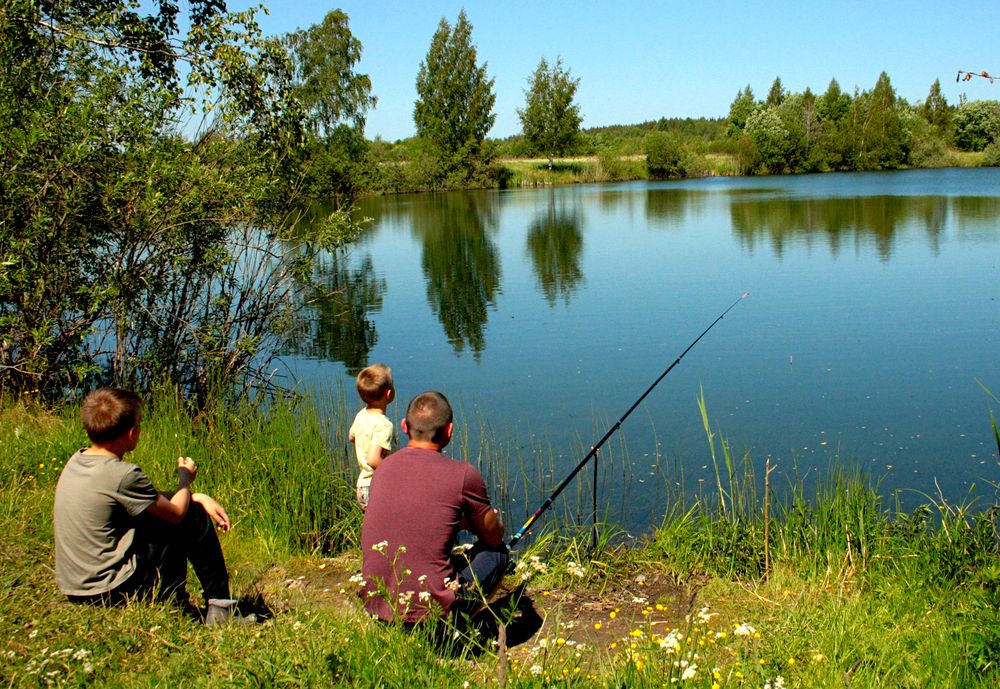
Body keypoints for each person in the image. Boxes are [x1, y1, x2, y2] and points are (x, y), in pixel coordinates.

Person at [53, 387, 249, 624]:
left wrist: (196, 496)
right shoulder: (124, 475)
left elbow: (148, 501)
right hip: (109, 588)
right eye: (139, 425)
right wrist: (185, 480)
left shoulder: (78, 460)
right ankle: (220, 608)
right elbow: (176, 513)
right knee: (192, 516)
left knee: (174, 512)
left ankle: (176, 600)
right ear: (131, 433)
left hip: (77, 586)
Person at [359, 391, 509, 624]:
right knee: (497, 553)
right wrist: (489, 522)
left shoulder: (384, 468)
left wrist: (459, 523)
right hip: (431, 612)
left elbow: (413, 519)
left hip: (376, 602)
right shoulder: (463, 474)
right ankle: (460, 625)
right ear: (449, 430)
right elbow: (493, 537)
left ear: (404, 426)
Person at [348, 363, 397, 510]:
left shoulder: (361, 415)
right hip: (376, 487)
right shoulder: (384, 425)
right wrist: (394, 471)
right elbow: (373, 459)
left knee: (371, 524)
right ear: (389, 394)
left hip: (362, 486)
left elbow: (351, 437)